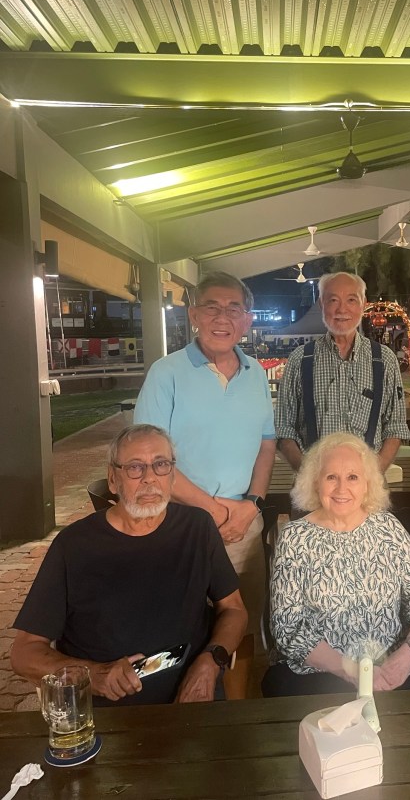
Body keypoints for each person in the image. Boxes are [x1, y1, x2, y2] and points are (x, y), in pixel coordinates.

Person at [11, 424, 247, 706]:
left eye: (161, 464)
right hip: (108, 710)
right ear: (113, 480)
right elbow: (24, 653)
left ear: (173, 475)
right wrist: (93, 675)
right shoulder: (74, 545)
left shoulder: (198, 528)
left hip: (192, 696)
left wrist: (211, 661)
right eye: (135, 467)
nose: (150, 478)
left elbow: (234, 609)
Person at [133, 271, 275, 698]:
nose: (222, 317)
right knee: (177, 628)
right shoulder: (167, 373)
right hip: (178, 524)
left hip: (242, 524)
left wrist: (252, 503)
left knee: (241, 624)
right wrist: (214, 510)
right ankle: (179, 715)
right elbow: (149, 459)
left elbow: (267, 443)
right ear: (194, 315)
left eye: (234, 308)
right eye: (211, 307)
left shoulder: (255, 373)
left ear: (247, 320)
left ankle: (235, 715)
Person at [262, 432, 410, 697]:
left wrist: (406, 658)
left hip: (390, 672)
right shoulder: (295, 538)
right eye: (331, 477)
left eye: (352, 477)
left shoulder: (388, 528)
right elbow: (288, 627)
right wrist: (352, 671)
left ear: (367, 484)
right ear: (315, 482)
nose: (342, 489)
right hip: (318, 675)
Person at [275, 272, 409, 472]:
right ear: (321, 304)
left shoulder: (384, 359)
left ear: (363, 305)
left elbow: (395, 427)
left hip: (367, 485)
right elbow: (284, 428)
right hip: (313, 483)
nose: (342, 309)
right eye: (333, 300)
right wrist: (308, 475)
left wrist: (372, 475)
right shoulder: (300, 359)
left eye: (351, 300)